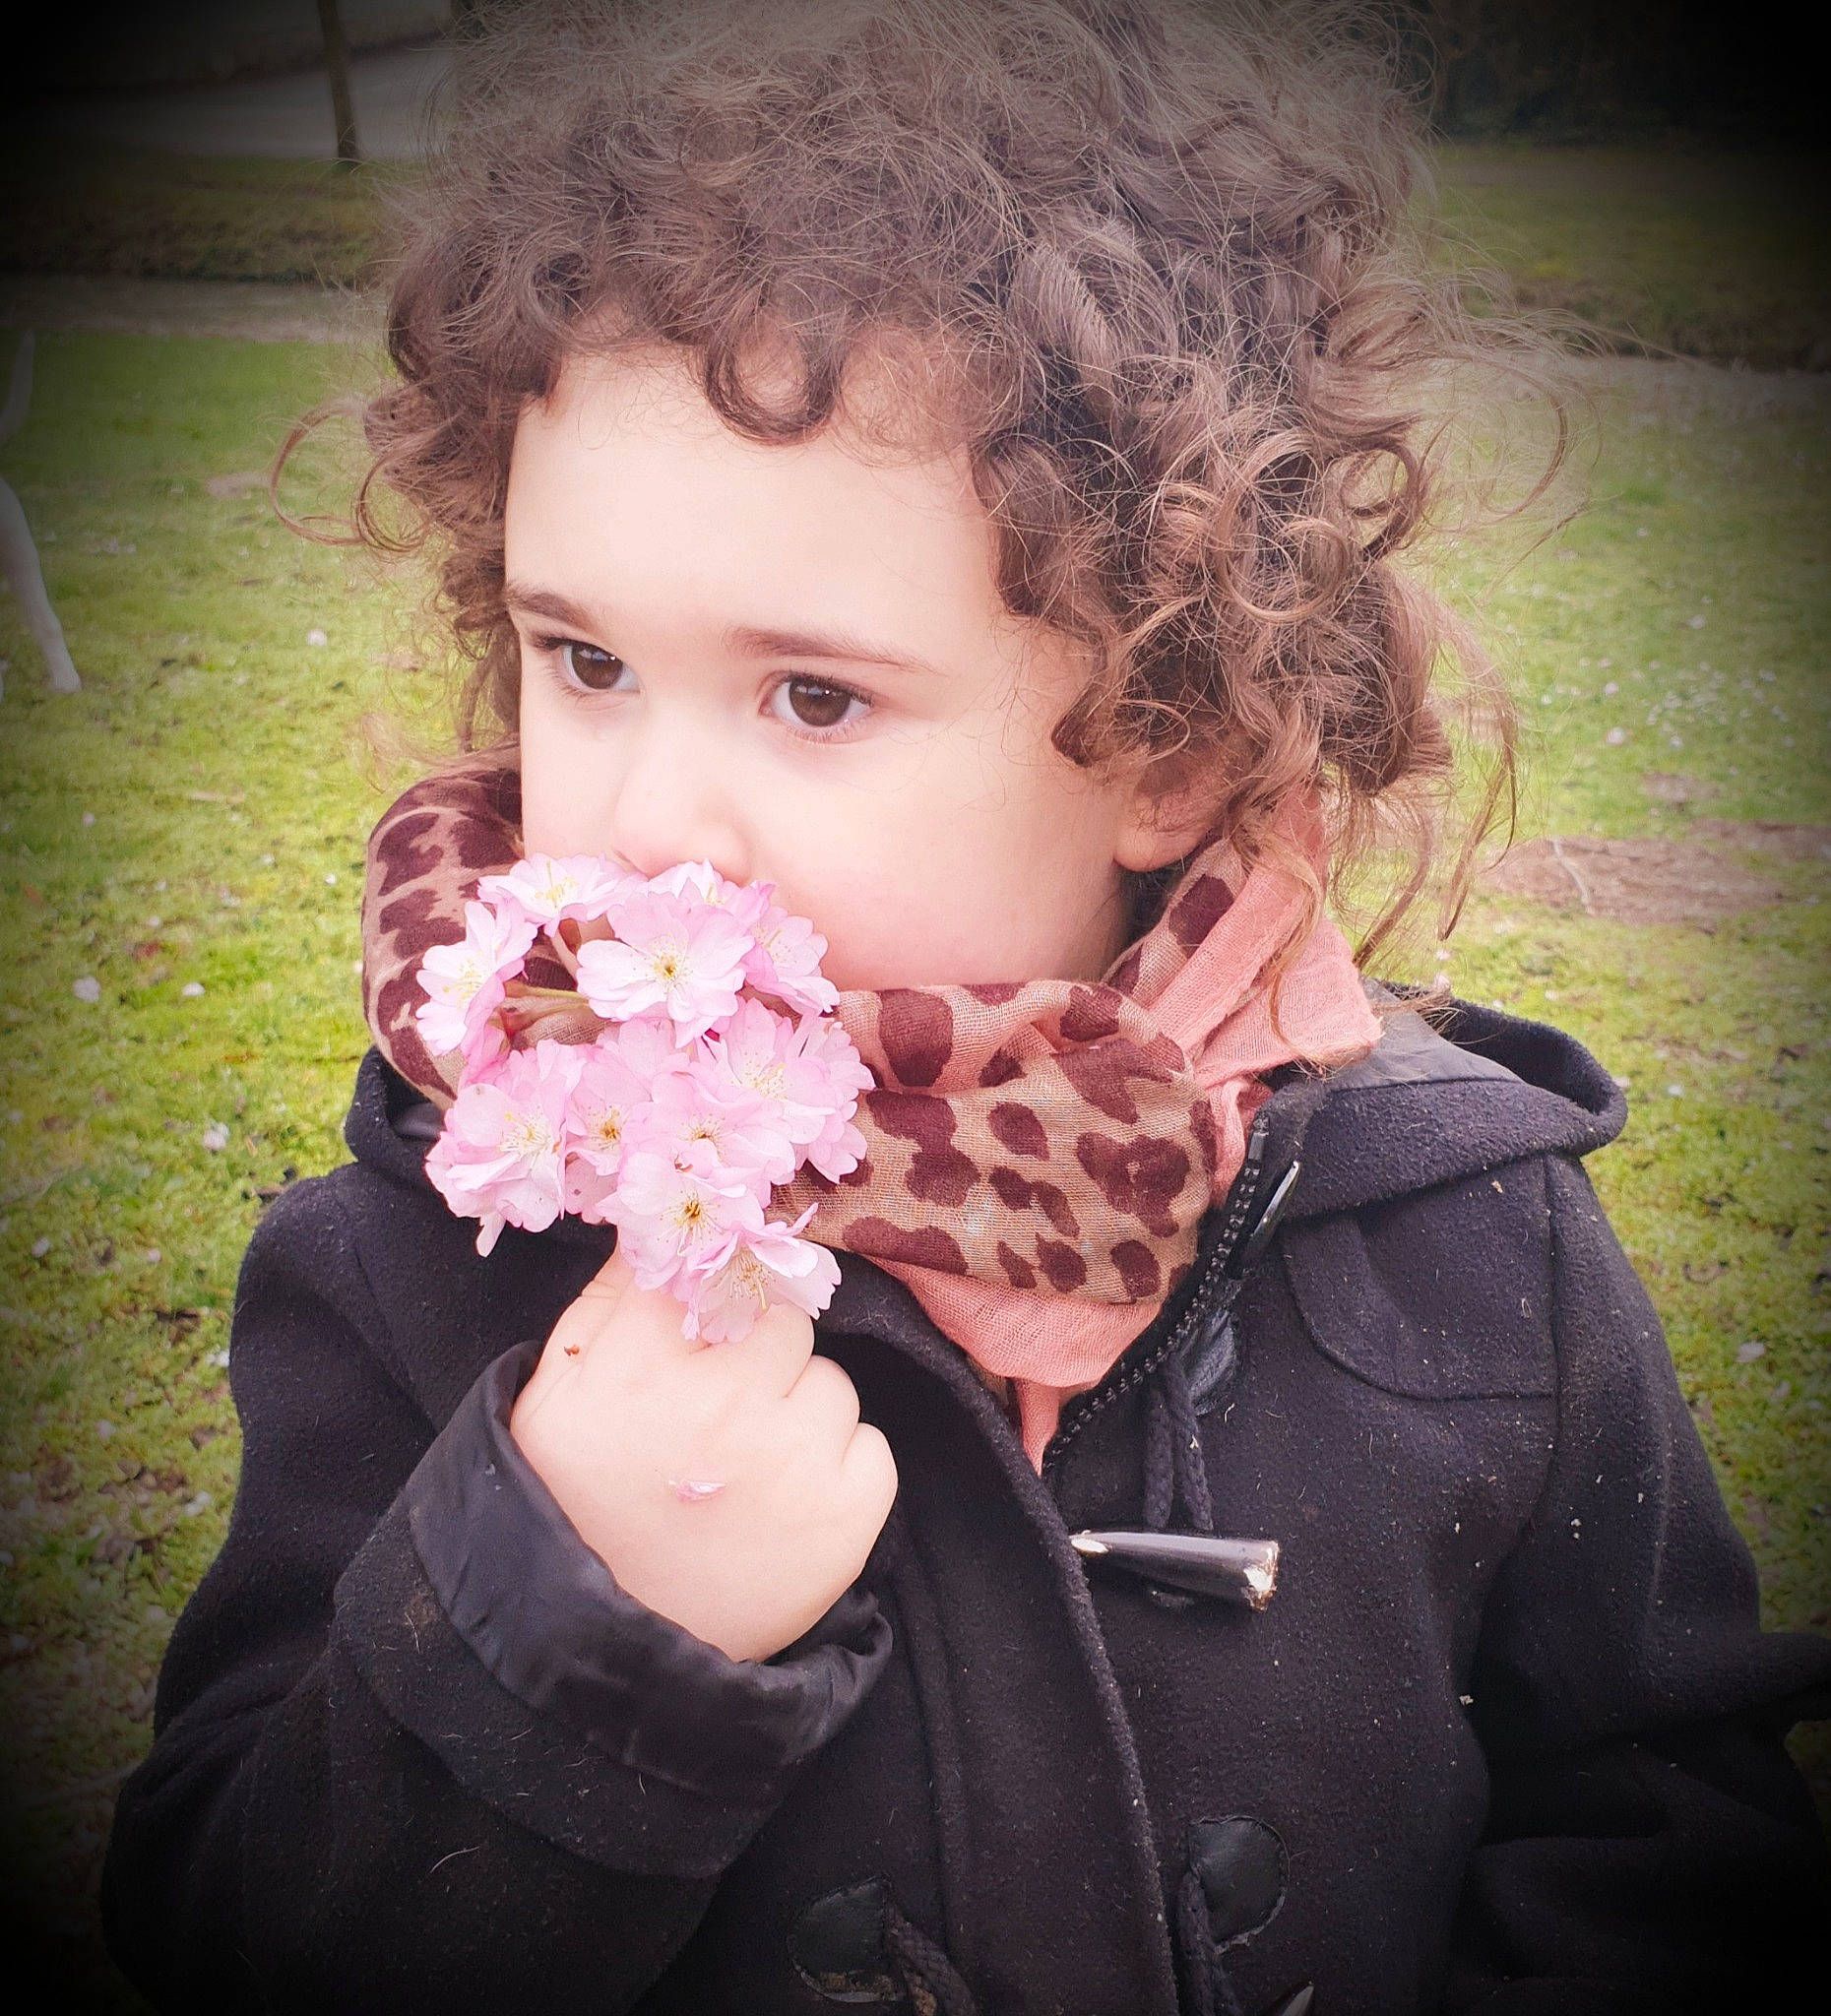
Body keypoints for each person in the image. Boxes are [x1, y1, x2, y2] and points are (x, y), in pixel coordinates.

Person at [100, 3, 1830, 2010]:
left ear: (1162, 744)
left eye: (813, 696)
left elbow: (1663, 1814)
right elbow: (233, 1928)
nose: (651, 822)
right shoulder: (433, 1235)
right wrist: (560, 1610)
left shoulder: (1468, 1236)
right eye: (583, 659)